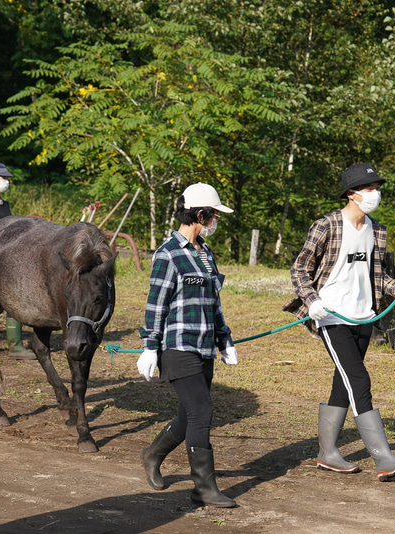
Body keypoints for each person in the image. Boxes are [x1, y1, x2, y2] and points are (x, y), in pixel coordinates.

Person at [283, 163, 395, 482]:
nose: (376, 193)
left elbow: (377, 276)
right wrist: (311, 301)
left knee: (343, 382)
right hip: (331, 317)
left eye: (377, 188)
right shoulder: (327, 225)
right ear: (351, 193)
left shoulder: (378, 230)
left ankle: (328, 454)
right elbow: (299, 269)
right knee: (359, 380)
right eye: (370, 188)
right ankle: (384, 458)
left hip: (364, 317)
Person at [136, 183, 239, 508]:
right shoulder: (168, 254)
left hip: (204, 346)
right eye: (214, 216)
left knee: (187, 415)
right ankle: (204, 488)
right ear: (200, 214)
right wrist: (150, 347)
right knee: (202, 412)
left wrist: (225, 340)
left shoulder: (205, 253)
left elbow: (213, 302)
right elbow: (156, 305)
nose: (216, 222)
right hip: (178, 348)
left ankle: (152, 455)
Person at [0, 162, 36, 360]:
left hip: (9, 260)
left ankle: (16, 347)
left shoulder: (5, 205)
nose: (7, 181)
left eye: (7, 178)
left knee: (13, 299)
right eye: (3, 178)